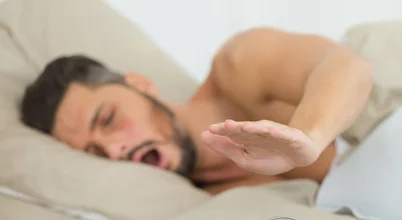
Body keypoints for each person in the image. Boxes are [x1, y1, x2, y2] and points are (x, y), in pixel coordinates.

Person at [19, 27, 374, 194]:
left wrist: (308, 137)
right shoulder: (202, 198)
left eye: (109, 119)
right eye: (94, 152)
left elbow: (347, 68)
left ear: (140, 84)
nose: (114, 151)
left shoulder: (237, 68)